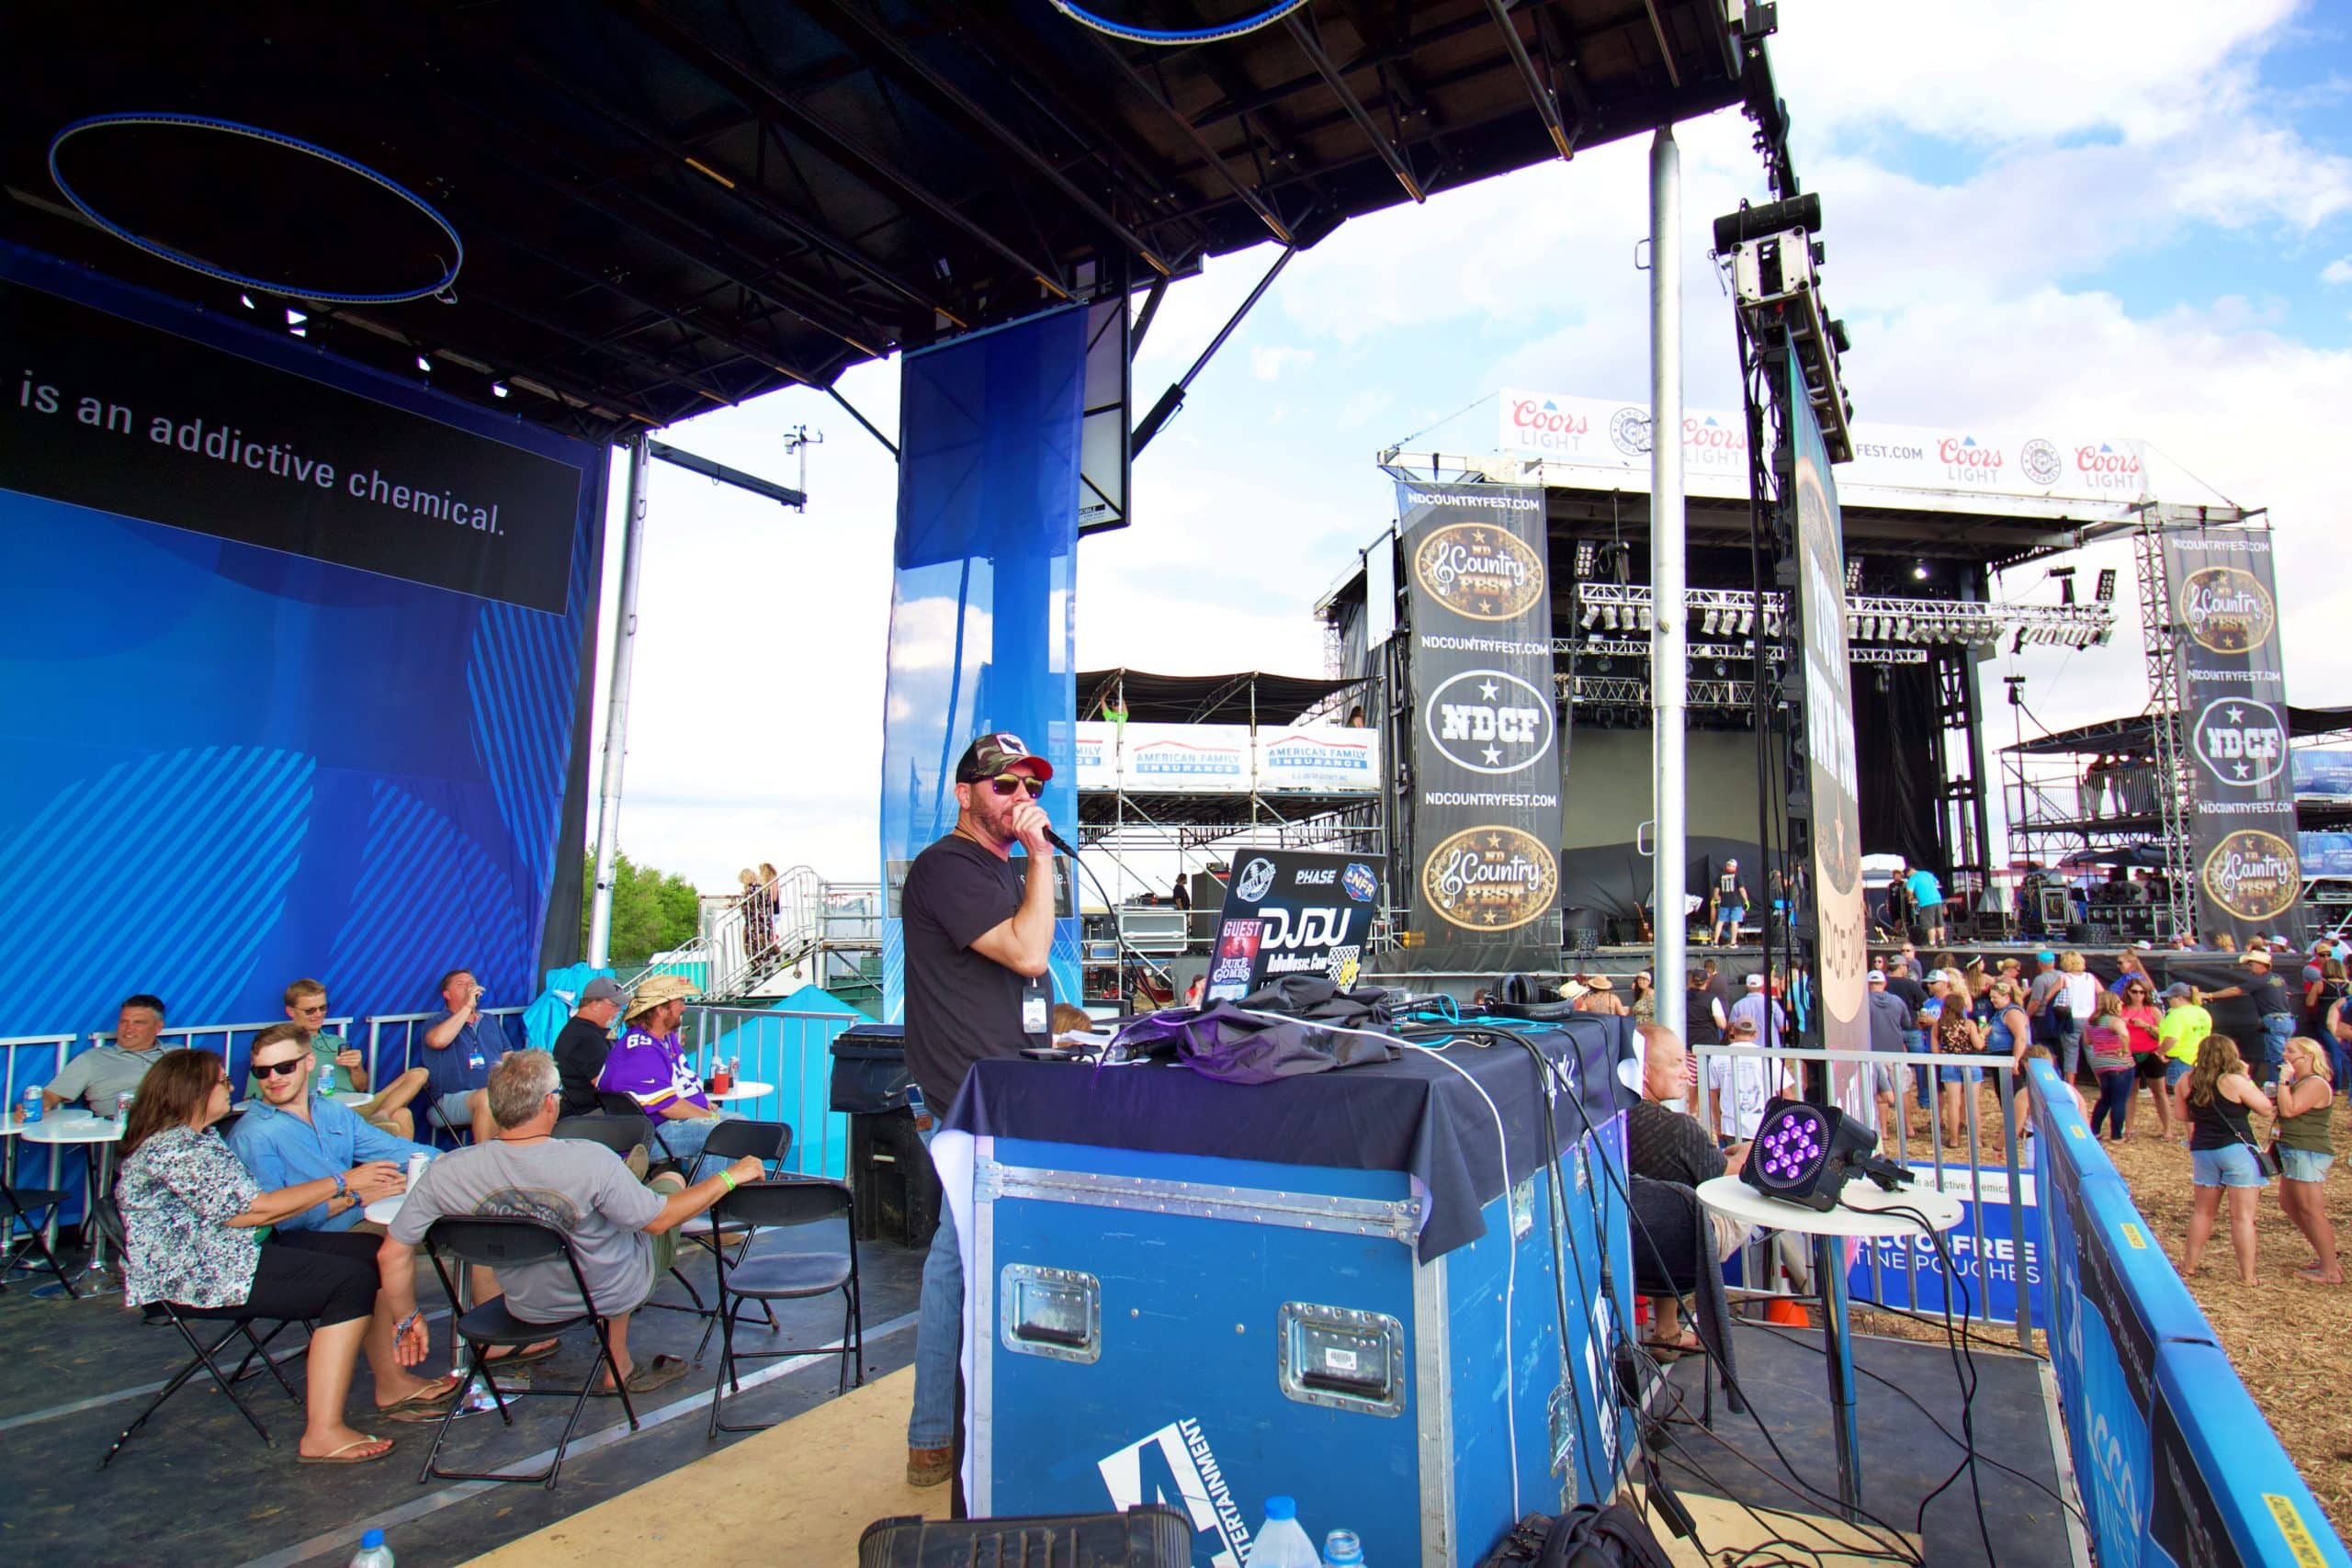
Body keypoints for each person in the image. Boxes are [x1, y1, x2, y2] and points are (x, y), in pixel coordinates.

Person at [115, 1049, 458, 1463]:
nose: (230, 1087)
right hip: (196, 1275)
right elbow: (250, 1212)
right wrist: (342, 1183)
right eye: (222, 1081)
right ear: (193, 1092)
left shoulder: (200, 1138)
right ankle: (322, 1433)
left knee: (373, 1252)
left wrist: (347, 1190)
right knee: (351, 1283)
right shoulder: (174, 1148)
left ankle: (393, 1382)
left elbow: (257, 1210)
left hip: (233, 1251)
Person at [380, 1051, 764, 1400]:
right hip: (604, 1292)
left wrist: (407, 1318)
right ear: (550, 1103)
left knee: (586, 1219)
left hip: (524, 1302)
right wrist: (731, 1176)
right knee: (663, 1194)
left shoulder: (447, 1172)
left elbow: (392, 1252)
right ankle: (620, 1364)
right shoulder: (589, 1160)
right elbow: (660, 1220)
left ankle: (630, 1187)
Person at [900, 731, 1057, 1491]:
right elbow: (1029, 953)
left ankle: (962, 1425)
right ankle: (933, 1436)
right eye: (1004, 787)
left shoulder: (997, 873)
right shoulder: (948, 867)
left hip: (1009, 1082)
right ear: (965, 794)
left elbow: (1027, 987)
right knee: (956, 1258)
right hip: (967, 1091)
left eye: (1030, 788)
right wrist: (1046, 858)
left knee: (970, 1254)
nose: (1021, 800)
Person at [229, 1025, 438, 1235]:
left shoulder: (331, 1110)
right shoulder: (252, 1134)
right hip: (313, 1237)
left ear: (309, 1062)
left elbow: (396, 1151)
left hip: (358, 1214)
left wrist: (454, 1164)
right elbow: (277, 1220)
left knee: (447, 1208)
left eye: (285, 1067)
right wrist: (354, 1197)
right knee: (410, 1231)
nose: (273, 1078)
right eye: (262, 1072)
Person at [1626, 1024, 1743, 1357]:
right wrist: (1749, 1156)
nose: (1686, 1073)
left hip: (1627, 1250)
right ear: (1645, 1071)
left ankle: (1668, 1329)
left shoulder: (1606, 1119)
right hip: (1683, 1255)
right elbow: (1728, 1175)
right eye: (1677, 1062)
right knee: (1745, 1196)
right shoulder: (1680, 1130)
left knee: (1665, 1197)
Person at [264, 979, 428, 1140]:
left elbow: (361, 1086)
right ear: (291, 1012)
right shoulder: (278, 1046)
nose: (318, 1014)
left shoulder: (337, 1042)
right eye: (310, 1010)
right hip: (319, 1112)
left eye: (323, 1008)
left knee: (419, 1073)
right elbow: (259, 1096)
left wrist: (356, 1067)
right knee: (402, 1114)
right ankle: (377, 1125)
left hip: (354, 1108)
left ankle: (380, 1116)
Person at [597, 974, 735, 1166]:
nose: (684, 1007)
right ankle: (708, 1194)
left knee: (741, 1124)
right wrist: (710, 1115)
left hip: (667, 1125)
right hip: (651, 1135)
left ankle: (737, 1190)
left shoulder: (665, 1038)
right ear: (661, 1009)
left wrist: (704, 1103)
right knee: (721, 1133)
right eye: (680, 1001)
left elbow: (681, 1084)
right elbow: (668, 1107)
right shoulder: (641, 1050)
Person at [2175, 1034, 2275, 1286]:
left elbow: (2181, 1115)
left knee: (2203, 1212)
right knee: (2242, 1217)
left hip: (2203, 1149)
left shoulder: (2186, 1080)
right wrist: (2248, 1078)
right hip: (2237, 1150)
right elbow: (2265, 1108)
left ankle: (2189, 1264)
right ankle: (2248, 1276)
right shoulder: (2234, 1080)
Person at [2271, 1036, 2338, 1284]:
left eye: (2291, 1051)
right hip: (2292, 1147)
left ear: (2308, 1056)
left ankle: (2330, 1269)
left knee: (2311, 1209)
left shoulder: (2315, 1083)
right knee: (2289, 1203)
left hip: (2307, 1150)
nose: (2285, 1055)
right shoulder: (2299, 1082)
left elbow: (2290, 1110)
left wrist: (2282, 1082)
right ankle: (2325, 1254)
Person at [42, 993, 166, 1113]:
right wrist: (31, 1108)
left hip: (177, 1123)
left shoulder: (177, 1054)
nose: (128, 1029)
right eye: (124, 1022)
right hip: (126, 1127)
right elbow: (51, 1095)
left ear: (158, 1027)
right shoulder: (93, 1058)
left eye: (138, 1023)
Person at [420, 969, 499, 1143]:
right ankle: (485, 1165)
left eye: (472, 983)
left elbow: (508, 1058)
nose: (469, 987)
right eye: (461, 984)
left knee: (540, 1096)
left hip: (495, 1095)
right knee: (487, 1098)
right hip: (448, 1101)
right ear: (447, 994)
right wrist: (467, 1007)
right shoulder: (436, 1022)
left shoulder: (490, 1021)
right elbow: (438, 1040)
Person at [2207, 949, 2297, 1089]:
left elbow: (2235, 990)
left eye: (2250, 964)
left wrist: (2210, 995)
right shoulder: (2277, 978)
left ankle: (2282, 1088)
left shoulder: (2260, 980)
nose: (2248, 968)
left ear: (2261, 964)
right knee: (2281, 1056)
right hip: (2286, 1020)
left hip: (2275, 1021)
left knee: (2277, 1058)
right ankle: (2281, 1087)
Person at [553, 977, 632, 1119]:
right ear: (595, 1004)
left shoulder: (594, 1030)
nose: (619, 1010)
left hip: (597, 1110)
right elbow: (609, 1083)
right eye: (614, 1004)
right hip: (588, 1114)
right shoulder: (584, 1037)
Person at [1706, 1019, 1792, 1142]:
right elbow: (1786, 1093)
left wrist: (1717, 1123)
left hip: (1731, 1126)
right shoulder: (1769, 1057)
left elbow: (1711, 1094)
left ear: (1733, 1032)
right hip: (1765, 1125)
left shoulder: (1718, 1056)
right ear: (1756, 1034)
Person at [1930, 987, 1985, 1148]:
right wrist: (1983, 1034)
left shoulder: (1938, 1026)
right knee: (1972, 1103)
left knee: (1953, 1103)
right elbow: (1979, 1045)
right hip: (1970, 1062)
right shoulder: (1969, 1024)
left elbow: (1935, 1051)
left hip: (1949, 1063)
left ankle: (1954, 1139)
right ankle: (1977, 1140)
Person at [2119, 976, 2172, 1140]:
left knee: (2160, 1092)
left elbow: (2164, 1034)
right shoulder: (2122, 1009)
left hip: (2151, 1053)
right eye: (2135, 992)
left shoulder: (2152, 1010)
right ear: (2128, 992)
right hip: (2129, 1053)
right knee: (2130, 1092)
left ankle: (2168, 1129)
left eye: (2142, 992)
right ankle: (2128, 1128)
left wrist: (2147, 1026)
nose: (2138, 995)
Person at [1863, 971, 1912, 1145]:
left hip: (1874, 1053)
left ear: (1868, 984)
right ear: (1884, 984)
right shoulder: (1897, 1001)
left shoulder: (1864, 1002)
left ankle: (1883, 1130)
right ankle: (1908, 1127)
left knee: (1881, 1091)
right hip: (1896, 1052)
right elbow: (1907, 1023)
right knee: (1903, 1091)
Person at [2084, 990, 2135, 1142]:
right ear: (2112, 1004)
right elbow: (2124, 1034)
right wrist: (2124, 1048)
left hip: (2100, 1062)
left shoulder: (2091, 1021)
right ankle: (2117, 1135)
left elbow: (2087, 1042)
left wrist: (2102, 1043)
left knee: (2105, 1098)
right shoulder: (2115, 1021)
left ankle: (2095, 1130)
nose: (2121, 1004)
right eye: (2119, 1002)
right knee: (2119, 1100)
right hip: (2119, 1063)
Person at [2158, 982, 2213, 1093]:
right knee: (2194, 1092)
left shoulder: (2177, 1014)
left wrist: (2160, 1052)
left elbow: (2171, 1039)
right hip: (2199, 1058)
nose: (2168, 1001)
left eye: (2169, 998)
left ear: (2179, 998)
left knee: (2178, 1094)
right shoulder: (2203, 1012)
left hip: (2180, 1060)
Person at [1729, 973, 1786, 1043]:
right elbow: (1784, 1027)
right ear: (1762, 986)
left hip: (1746, 1051)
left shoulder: (1737, 1006)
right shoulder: (1773, 1004)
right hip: (1770, 1051)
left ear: (1747, 986)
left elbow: (1731, 1029)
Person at [1710, 859, 1749, 946]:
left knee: (1720, 922)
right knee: (1734, 922)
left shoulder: (1720, 876)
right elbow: (1742, 890)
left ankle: (1715, 942)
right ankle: (1733, 942)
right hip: (1736, 903)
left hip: (1724, 903)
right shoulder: (1737, 876)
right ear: (1735, 867)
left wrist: (1716, 900)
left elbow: (1716, 892)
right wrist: (1746, 901)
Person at [1906, 862, 1947, 946]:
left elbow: (1909, 890)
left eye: (1907, 876)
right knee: (1939, 921)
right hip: (1937, 900)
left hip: (1926, 903)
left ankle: (1932, 943)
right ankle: (1942, 939)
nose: (1908, 877)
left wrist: (1910, 898)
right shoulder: (1927, 873)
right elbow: (1937, 884)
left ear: (1909, 872)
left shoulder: (1912, 878)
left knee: (1929, 924)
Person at [1684, 968, 1726, 1048]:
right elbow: (1722, 1024)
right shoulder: (1712, 999)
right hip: (1707, 1043)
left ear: (1692, 981)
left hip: (1686, 1042)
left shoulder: (1681, 998)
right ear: (1707, 982)